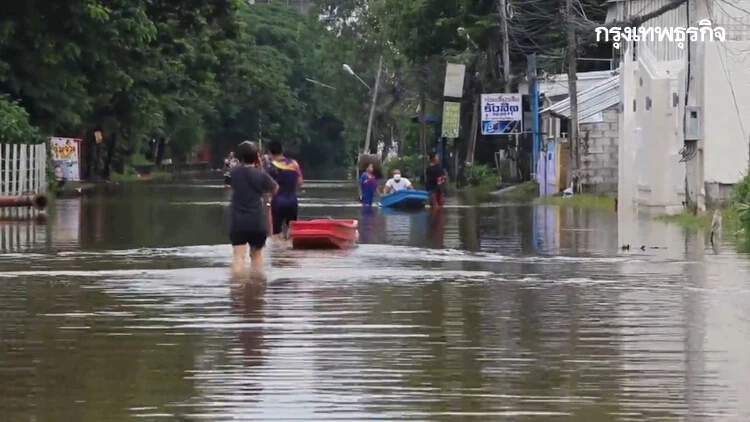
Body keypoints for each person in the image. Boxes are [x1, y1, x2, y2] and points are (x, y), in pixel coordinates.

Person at [228, 141, 279, 276]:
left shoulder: (233, 173)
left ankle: (237, 287)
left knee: (238, 257)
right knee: (257, 256)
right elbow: (275, 189)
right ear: (257, 157)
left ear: (239, 157)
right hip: (257, 221)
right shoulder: (261, 175)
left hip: (238, 221)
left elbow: (228, 187)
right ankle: (257, 284)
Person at [265, 140, 303, 239]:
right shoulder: (294, 164)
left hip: (277, 202)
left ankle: (278, 253)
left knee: (276, 233)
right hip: (292, 200)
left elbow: (266, 185)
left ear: (269, 153)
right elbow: (299, 182)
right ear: (282, 151)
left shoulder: (270, 166)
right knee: (292, 230)